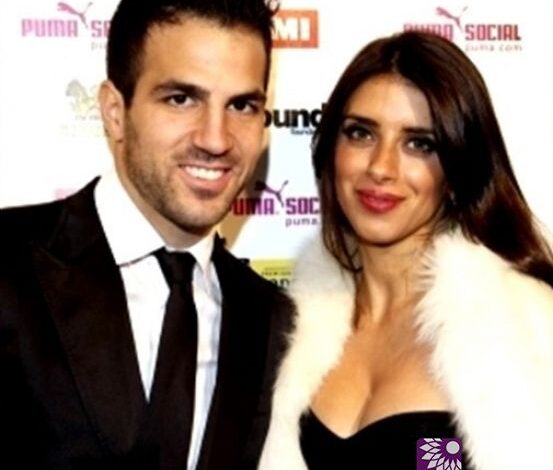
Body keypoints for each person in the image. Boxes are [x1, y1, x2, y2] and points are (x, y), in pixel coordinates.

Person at [0, 0, 293, 469]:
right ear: (115, 111)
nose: (216, 139)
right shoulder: (9, 262)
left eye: (241, 105)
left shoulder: (274, 320)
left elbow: (415, 455)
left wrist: (429, 454)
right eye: (181, 99)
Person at [259, 31, 553, 469]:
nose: (381, 167)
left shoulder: (526, 327)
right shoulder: (288, 331)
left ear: (456, 174)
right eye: (361, 133)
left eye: (419, 144)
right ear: (331, 152)